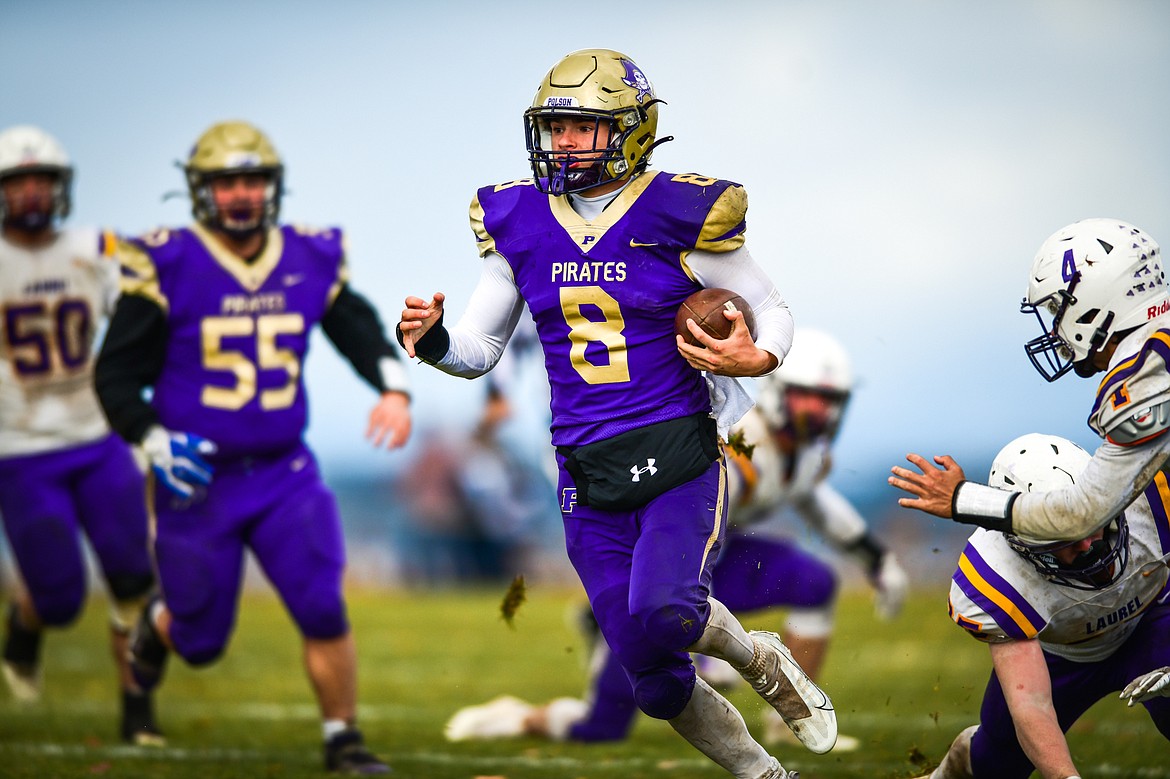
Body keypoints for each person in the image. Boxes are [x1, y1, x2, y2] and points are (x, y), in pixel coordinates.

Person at [399, 48, 834, 779]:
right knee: (655, 680)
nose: (563, 141)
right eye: (556, 126)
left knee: (669, 608)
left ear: (632, 130)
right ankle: (765, 771)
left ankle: (760, 659)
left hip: (677, 453)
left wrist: (757, 358)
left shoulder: (680, 210)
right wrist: (433, 338)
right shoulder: (519, 218)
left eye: (582, 127)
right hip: (585, 472)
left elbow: (769, 307)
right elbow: (479, 347)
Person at [93, 120, 412, 774]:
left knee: (323, 602)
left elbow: (355, 327)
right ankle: (160, 622)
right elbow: (115, 374)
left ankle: (342, 738)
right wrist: (151, 438)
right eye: (226, 181)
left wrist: (394, 387)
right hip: (196, 479)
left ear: (273, 186)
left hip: (282, 470)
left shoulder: (308, 253)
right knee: (201, 640)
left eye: (253, 180)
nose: (241, 194)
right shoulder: (167, 260)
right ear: (200, 189)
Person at [444, 328, 909, 750]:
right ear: (781, 394)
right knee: (605, 723)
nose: (820, 412)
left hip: (717, 558)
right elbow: (697, 519)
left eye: (830, 400)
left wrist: (874, 557)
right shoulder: (745, 441)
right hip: (674, 560)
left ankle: (785, 721)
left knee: (816, 583)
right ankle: (524, 717)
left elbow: (815, 500)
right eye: (810, 397)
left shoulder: (805, 455)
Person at [0, 124, 162, 745]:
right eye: (20, 182)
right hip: (20, 449)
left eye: (43, 179)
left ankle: (137, 711)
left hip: (96, 437)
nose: (34, 192)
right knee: (61, 596)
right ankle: (24, 622)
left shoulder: (98, 246)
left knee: (132, 578)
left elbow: (143, 320)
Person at [889, 218, 1170, 544]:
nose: (1054, 330)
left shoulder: (1140, 381)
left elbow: (1081, 515)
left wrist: (960, 498)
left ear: (1095, 303)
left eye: (1056, 308)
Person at [911, 432, 1170, 779]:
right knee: (996, 765)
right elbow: (1031, 704)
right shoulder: (996, 574)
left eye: (1093, 520)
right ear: (1019, 541)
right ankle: (958, 763)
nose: (1088, 544)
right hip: (1063, 654)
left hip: (1153, 620)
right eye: (1060, 538)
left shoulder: (1151, 496)